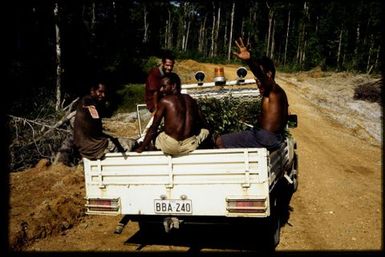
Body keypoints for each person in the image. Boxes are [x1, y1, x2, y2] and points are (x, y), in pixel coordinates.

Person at [215, 37, 289, 151]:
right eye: (256, 79)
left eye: (259, 78)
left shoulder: (273, 89)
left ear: (269, 74)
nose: (257, 82)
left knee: (219, 141)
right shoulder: (280, 94)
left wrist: (249, 61)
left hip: (264, 138)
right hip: (271, 139)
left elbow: (261, 76)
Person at [136, 72, 210, 156]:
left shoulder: (165, 101)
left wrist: (141, 147)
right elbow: (203, 122)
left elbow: (154, 126)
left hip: (170, 146)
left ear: (173, 86)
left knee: (153, 136)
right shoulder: (191, 100)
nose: (161, 90)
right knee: (205, 131)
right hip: (190, 145)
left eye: (164, 86)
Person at [73, 81, 135, 160]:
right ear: (93, 91)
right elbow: (96, 120)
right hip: (94, 145)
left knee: (121, 141)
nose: (103, 95)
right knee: (129, 144)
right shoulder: (88, 101)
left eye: (104, 92)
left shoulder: (87, 102)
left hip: (87, 143)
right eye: (100, 92)